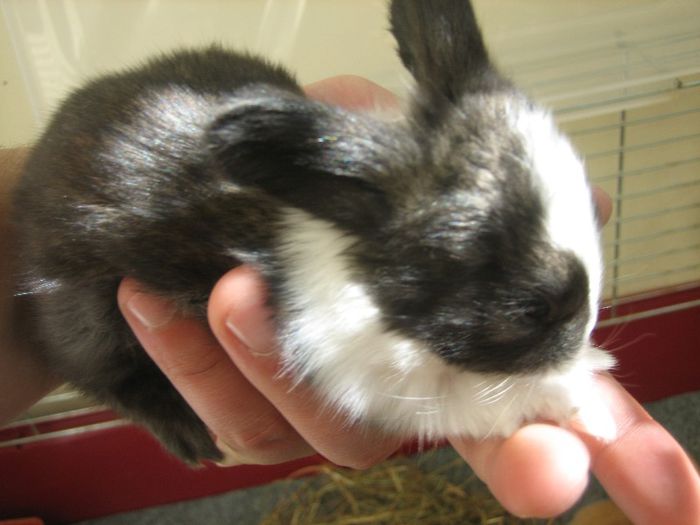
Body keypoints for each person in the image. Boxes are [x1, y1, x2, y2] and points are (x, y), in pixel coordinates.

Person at [1, 76, 698, 523]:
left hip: (184, 116)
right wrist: (521, 392)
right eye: (532, 313)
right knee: (98, 334)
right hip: (79, 246)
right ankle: (136, 389)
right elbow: (381, 379)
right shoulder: (346, 288)